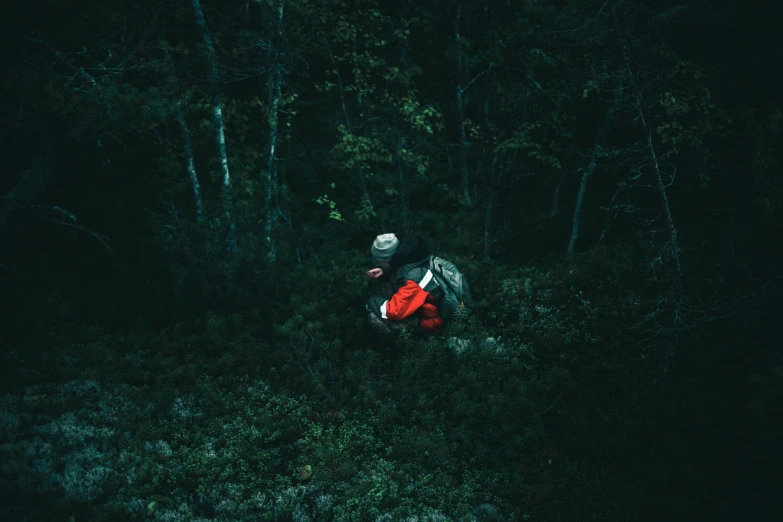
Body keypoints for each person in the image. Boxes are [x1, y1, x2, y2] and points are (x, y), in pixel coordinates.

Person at [365, 233, 444, 335]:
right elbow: (401, 269)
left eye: (379, 261)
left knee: (374, 318)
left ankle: (406, 344)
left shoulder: (415, 279)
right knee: (383, 283)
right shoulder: (414, 258)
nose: (378, 263)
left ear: (388, 260)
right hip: (422, 306)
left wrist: (370, 301)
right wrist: (385, 272)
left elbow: (393, 312)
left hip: (430, 321)